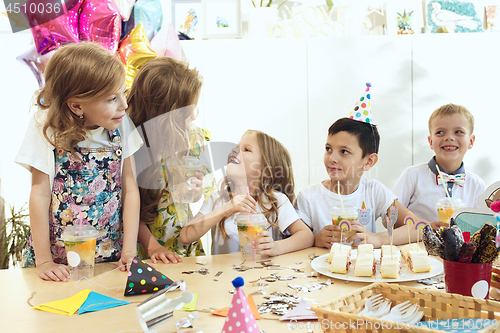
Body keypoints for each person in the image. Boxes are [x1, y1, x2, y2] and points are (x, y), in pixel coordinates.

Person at [15, 43, 142, 282]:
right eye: (112, 98)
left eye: (123, 93)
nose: (124, 105)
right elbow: (40, 195)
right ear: (76, 105)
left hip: (110, 259)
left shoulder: (122, 124)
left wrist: (129, 250)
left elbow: (130, 189)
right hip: (57, 262)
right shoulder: (45, 126)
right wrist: (43, 261)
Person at [295, 83, 417, 249]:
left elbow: (417, 228)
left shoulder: (374, 192)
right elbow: (296, 241)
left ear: (368, 162)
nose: (333, 158)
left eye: (344, 151)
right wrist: (315, 239)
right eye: (328, 149)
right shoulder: (309, 197)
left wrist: (378, 239)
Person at [128, 57, 213, 264]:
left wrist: (195, 190)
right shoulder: (134, 146)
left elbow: (191, 198)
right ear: (165, 113)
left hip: (185, 248)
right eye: (188, 108)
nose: (194, 115)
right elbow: (128, 206)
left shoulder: (192, 138)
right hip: (149, 251)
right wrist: (152, 246)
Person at [179, 130, 314, 256]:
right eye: (237, 146)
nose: (235, 150)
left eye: (246, 149)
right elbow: (185, 236)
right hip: (225, 280)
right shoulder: (217, 199)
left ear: (265, 170)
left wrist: (276, 247)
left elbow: (306, 236)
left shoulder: (276, 201)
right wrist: (225, 209)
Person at [392, 103, 485, 222]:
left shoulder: (477, 184)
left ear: (471, 141)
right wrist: (420, 226)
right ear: (430, 141)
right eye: (440, 132)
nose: (449, 138)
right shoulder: (413, 175)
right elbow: (389, 216)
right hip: (418, 240)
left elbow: (481, 225)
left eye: (458, 131)